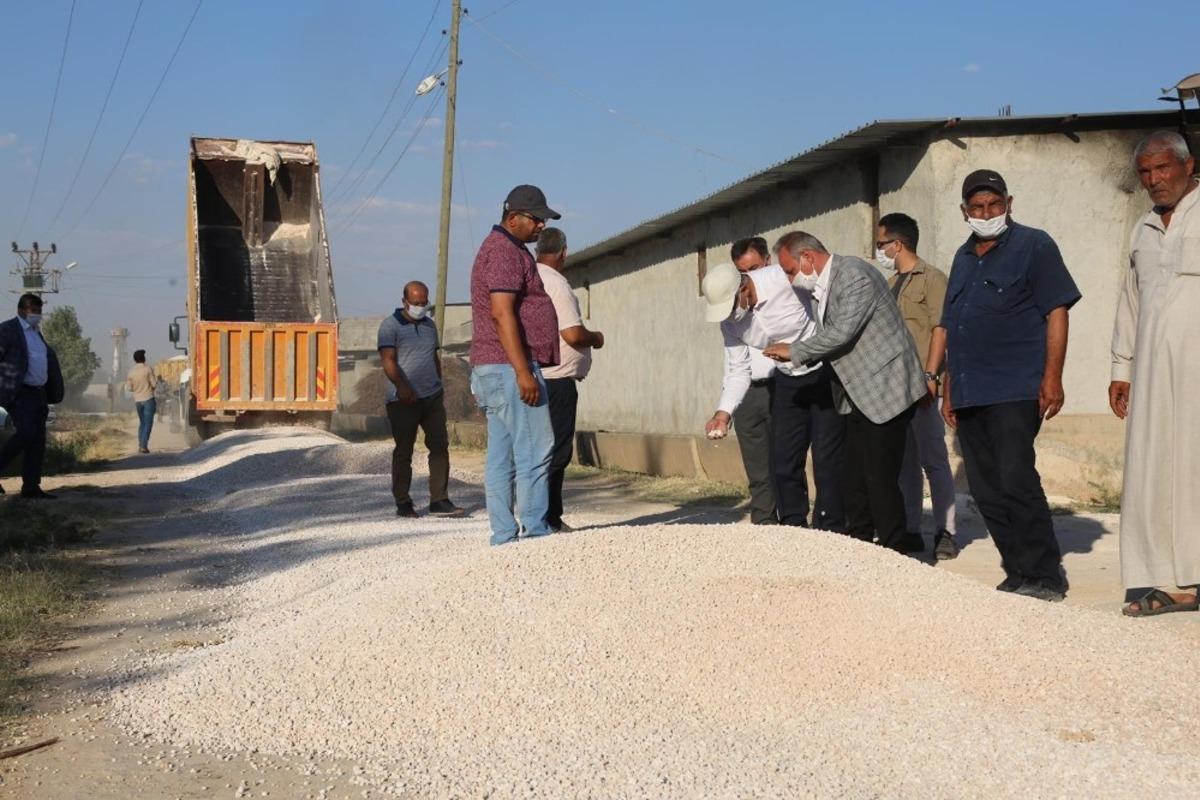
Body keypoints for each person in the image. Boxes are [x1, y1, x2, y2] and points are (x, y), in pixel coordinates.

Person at [938, 169, 1081, 602]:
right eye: (977, 207)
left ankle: (1045, 575)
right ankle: (1018, 570)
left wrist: (1053, 377)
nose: (986, 214)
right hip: (970, 389)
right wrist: (948, 386)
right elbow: (953, 324)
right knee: (985, 488)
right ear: (964, 212)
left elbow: (1057, 311)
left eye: (994, 205)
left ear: (1009, 204)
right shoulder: (963, 257)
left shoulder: (1035, 245)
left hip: (1016, 386)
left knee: (1015, 477)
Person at [763, 233, 923, 551]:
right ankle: (859, 548)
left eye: (791, 271)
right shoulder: (821, 289)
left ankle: (894, 553)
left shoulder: (853, 275)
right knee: (854, 478)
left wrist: (794, 351)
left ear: (808, 257)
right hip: (857, 395)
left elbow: (841, 333)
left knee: (880, 479)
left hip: (885, 391)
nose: (790, 279)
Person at [1110, 131, 1200, 617]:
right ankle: (1167, 578)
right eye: (1145, 171)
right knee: (1153, 469)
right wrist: (1120, 367)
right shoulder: (1143, 229)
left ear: (1189, 166)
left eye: (1163, 167)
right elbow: (1130, 301)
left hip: (1195, 373)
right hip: (1150, 375)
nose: (1154, 179)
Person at [704, 255, 843, 529]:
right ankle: (793, 527)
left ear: (744, 289)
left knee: (826, 460)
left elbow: (826, 309)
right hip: (787, 381)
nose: (729, 316)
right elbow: (739, 370)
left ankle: (832, 528)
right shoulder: (730, 323)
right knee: (784, 462)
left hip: (823, 373)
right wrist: (723, 413)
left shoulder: (783, 280)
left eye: (730, 308)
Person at [469, 185, 562, 545]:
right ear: (513, 218)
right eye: (536, 219)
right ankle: (535, 530)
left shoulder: (506, 248)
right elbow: (501, 312)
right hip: (508, 368)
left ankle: (505, 535)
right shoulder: (505, 251)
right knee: (536, 448)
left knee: (503, 455)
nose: (541, 225)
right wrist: (524, 372)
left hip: (496, 367)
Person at [877, 213, 959, 559]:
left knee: (934, 460)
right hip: (896, 389)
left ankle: (946, 531)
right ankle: (911, 529)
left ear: (898, 244)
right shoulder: (890, 284)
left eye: (881, 244)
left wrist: (931, 375)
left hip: (924, 386)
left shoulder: (932, 279)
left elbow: (942, 328)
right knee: (905, 463)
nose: (879, 251)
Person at [535, 228, 604, 532]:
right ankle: (549, 517)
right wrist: (596, 338)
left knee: (536, 448)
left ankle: (534, 515)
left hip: (536, 376)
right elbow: (573, 334)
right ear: (564, 252)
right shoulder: (556, 283)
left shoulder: (531, 277)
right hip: (557, 379)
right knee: (557, 450)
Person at [378, 281, 463, 519]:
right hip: (402, 400)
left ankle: (439, 499)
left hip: (432, 397)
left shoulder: (429, 326)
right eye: (416, 303)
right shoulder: (389, 326)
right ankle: (403, 501)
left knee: (439, 446)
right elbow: (388, 360)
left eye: (424, 302)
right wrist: (402, 387)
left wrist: (438, 382)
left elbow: (433, 357)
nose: (420, 307)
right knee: (404, 451)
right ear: (404, 301)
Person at [720, 236, 779, 524]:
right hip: (747, 393)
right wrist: (725, 409)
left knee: (786, 464)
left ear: (768, 261)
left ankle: (795, 524)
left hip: (782, 386)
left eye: (755, 268)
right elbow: (735, 364)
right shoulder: (732, 310)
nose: (749, 277)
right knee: (757, 468)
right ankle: (765, 522)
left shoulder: (785, 296)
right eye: (742, 272)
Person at [0, 294, 64, 498]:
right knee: (26, 433)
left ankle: (31, 487)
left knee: (37, 439)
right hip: (19, 392)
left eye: (39, 311)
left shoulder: (36, 333)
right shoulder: (7, 330)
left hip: (39, 393)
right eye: (33, 311)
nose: (37, 314)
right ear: (21, 310)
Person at [126, 349, 158, 454]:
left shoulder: (131, 372)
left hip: (138, 401)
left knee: (142, 423)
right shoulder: (148, 369)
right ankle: (143, 446)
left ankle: (141, 444)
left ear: (135, 359)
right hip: (148, 399)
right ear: (144, 358)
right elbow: (154, 384)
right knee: (148, 423)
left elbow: (129, 388)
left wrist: (137, 389)